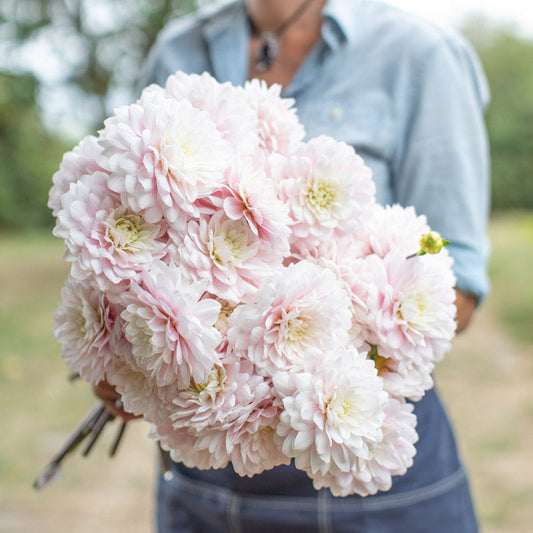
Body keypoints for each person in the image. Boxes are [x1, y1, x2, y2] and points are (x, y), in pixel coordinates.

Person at [95, 0, 491, 531]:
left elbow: (456, 285)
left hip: (368, 475)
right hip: (207, 474)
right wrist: (127, 356)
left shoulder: (421, 56)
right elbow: (124, 218)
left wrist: (307, 340)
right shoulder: (178, 49)